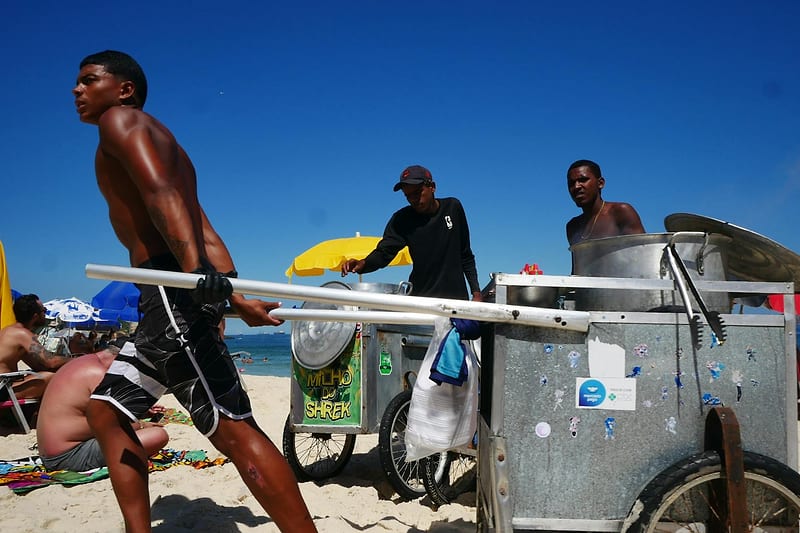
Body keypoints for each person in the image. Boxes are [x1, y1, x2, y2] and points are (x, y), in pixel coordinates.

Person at [73, 50, 315, 532]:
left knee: (234, 429)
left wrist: (196, 275)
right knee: (105, 412)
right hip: (168, 295)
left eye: (88, 80)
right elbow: (203, 227)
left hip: (170, 290)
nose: (77, 90)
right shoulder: (170, 143)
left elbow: (161, 194)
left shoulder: (120, 121)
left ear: (124, 89)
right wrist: (236, 295)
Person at [341, 165, 482, 302]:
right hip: (421, 301)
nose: (413, 199)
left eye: (417, 192)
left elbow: (465, 254)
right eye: (407, 195)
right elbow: (384, 253)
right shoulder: (401, 219)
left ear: (432, 187)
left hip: (457, 301)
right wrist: (363, 264)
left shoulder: (453, 207)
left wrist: (476, 293)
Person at [37, 346, 169, 472]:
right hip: (68, 456)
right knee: (157, 435)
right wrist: (141, 425)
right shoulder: (98, 374)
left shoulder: (84, 362)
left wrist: (144, 410)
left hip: (50, 451)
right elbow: (109, 423)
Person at [0, 294, 71, 399]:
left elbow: (38, 366)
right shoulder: (23, 334)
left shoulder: (8, 331)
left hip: (5, 385)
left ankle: (34, 414)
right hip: (3, 389)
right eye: (44, 310)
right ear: (35, 316)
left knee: (45, 374)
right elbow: (51, 362)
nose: (45, 314)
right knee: (53, 378)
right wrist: (76, 359)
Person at [565, 159, 645, 246]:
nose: (576, 186)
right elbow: (578, 259)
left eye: (583, 180)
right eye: (571, 183)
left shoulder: (620, 212)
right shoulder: (573, 226)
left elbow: (642, 252)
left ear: (600, 183)